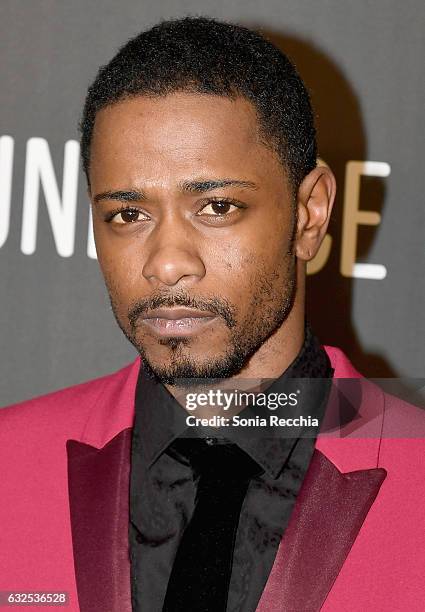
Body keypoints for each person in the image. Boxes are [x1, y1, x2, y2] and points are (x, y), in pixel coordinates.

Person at [0, 16, 424, 612]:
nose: (167, 264)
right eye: (127, 215)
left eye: (217, 206)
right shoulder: (6, 465)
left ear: (310, 214)